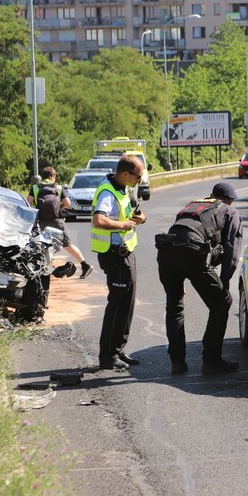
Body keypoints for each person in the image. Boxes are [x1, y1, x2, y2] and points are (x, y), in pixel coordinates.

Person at [155, 181, 243, 375]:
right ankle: (211, 361)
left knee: (174, 305)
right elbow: (232, 250)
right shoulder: (229, 211)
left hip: (166, 252)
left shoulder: (194, 205)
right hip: (191, 252)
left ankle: (177, 362)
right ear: (228, 200)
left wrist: (177, 276)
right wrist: (225, 284)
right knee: (221, 304)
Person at [91, 155, 146, 370]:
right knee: (117, 305)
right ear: (125, 173)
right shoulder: (107, 191)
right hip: (113, 255)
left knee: (127, 304)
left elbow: (131, 213)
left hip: (125, 253)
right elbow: (99, 220)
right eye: (138, 177)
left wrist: (139, 218)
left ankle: (118, 349)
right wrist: (123, 225)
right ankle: (107, 357)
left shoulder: (124, 188)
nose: (139, 181)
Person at [28, 166, 93, 279]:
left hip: (42, 222)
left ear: (42, 177)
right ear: (53, 176)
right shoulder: (58, 187)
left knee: (42, 245)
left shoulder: (35, 187)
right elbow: (67, 203)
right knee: (67, 244)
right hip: (57, 220)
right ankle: (84, 265)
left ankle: (44, 271)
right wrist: (59, 207)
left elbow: (28, 203)